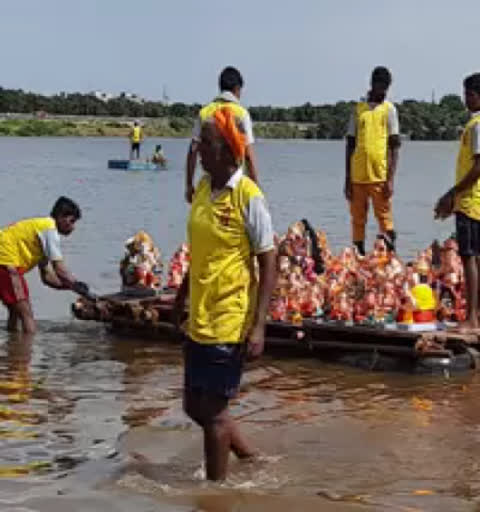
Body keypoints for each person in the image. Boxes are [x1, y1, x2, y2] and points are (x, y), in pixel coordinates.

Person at [173, 104, 277, 481]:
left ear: (225, 150)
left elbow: (269, 259)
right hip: (199, 311)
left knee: (214, 412)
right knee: (193, 406)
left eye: (205, 143)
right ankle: (250, 457)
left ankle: (216, 496)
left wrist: (259, 325)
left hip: (230, 316)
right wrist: (181, 297)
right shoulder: (203, 188)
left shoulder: (247, 196)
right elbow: (199, 249)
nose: (198, 149)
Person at [434, 73, 480, 331]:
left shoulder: (479, 125)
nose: (466, 99)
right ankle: (479, 314)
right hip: (473, 199)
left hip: (471, 198)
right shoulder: (477, 124)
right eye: (465, 93)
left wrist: (452, 193)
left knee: (469, 256)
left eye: (470, 94)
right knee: (476, 256)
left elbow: (479, 166)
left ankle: (471, 316)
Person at [0, 197, 89, 333]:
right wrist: (76, 283)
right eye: (71, 221)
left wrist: (73, 288)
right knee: (26, 314)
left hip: (5, 263)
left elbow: (48, 277)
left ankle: (14, 346)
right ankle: (25, 350)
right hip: (6, 263)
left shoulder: (41, 232)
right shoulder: (49, 229)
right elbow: (59, 268)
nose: (73, 227)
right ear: (60, 216)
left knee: (15, 309)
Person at [345, 66, 401, 255]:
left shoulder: (389, 110)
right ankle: (358, 256)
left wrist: (390, 179)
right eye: (379, 86)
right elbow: (350, 144)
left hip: (380, 175)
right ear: (372, 84)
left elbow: (394, 146)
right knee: (357, 220)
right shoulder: (358, 109)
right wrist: (347, 178)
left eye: (385, 87)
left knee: (385, 219)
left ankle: (389, 258)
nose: (382, 90)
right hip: (358, 175)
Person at [186, 66, 258, 204]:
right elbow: (248, 156)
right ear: (237, 89)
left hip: (209, 184)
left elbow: (192, 152)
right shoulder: (241, 113)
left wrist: (189, 185)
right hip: (234, 183)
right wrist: (255, 190)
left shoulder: (205, 112)